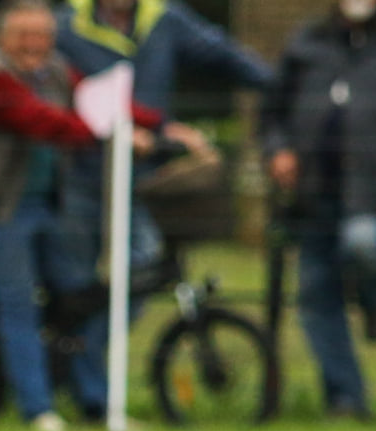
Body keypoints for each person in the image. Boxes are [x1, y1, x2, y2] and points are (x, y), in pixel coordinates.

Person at [0, 0, 150, 431]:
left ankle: (96, 404)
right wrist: (109, 132)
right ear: (2, 38)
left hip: (44, 205)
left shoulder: (55, 69)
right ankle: (38, 409)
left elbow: (98, 100)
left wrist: (159, 126)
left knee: (78, 298)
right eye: (24, 36)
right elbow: (42, 122)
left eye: (43, 35)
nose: (35, 45)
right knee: (20, 303)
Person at [260, 0, 376, 419]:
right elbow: (272, 112)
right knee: (316, 298)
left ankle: (374, 300)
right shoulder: (306, 42)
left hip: (374, 188)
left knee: (362, 244)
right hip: (311, 193)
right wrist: (278, 150)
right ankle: (345, 399)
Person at [54, 0, 272, 275]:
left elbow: (223, 54)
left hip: (146, 175)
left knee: (145, 264)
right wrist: (114, 128)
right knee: (75, 274)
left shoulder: (164, 18)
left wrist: (284, 86)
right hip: (80, 170)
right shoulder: (66, 24)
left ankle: (108, 319)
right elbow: (54, 90)